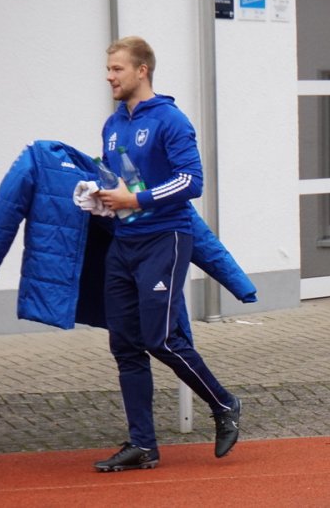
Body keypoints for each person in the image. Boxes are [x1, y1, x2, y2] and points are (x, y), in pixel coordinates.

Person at [92, 36, 241, 471]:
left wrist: (136, 200)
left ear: (142, 71)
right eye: (108, 69)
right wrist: (99, 197)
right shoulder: (112, 124)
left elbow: (192, 181)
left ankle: (224, 403)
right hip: (124, 245)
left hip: (165, 240)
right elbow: (120, 181)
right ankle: (143, 444)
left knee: (160, 339)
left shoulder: (170, 120)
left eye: (117, 69)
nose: (109, 76)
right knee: (125, 346)